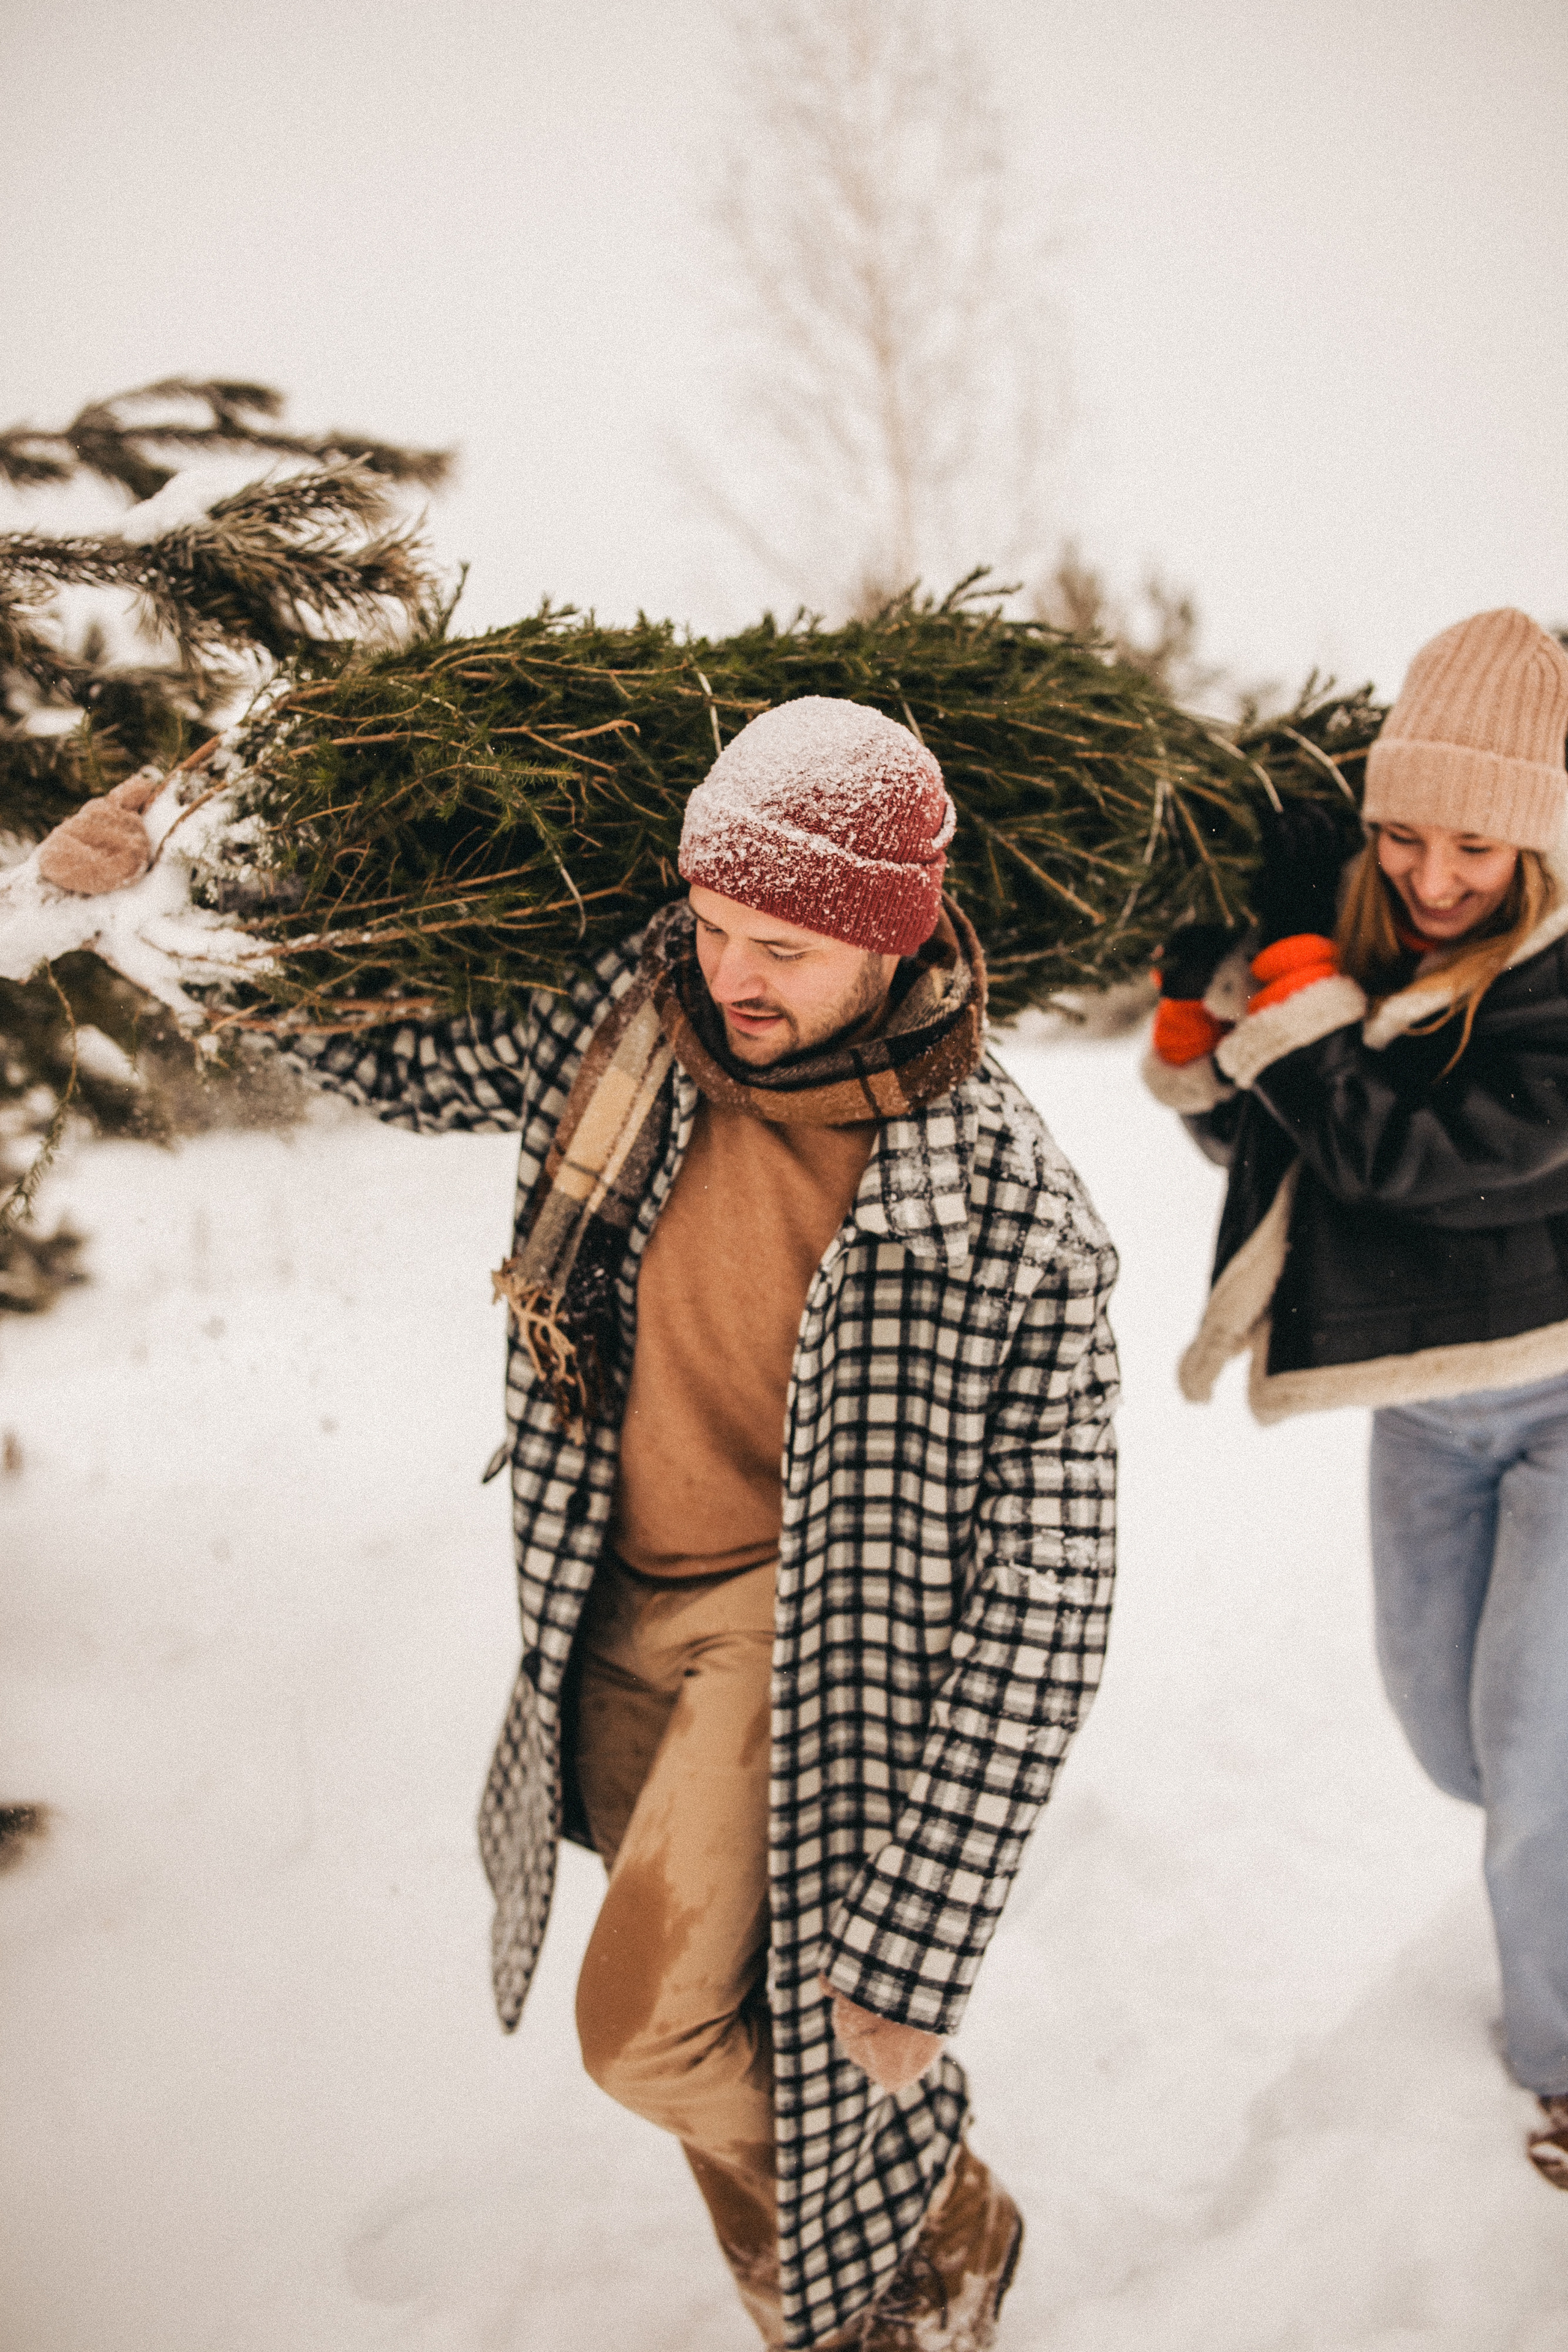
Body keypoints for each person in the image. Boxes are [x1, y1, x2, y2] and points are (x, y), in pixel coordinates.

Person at [39, 695, 1119, 2348]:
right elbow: (373, 1050)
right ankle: (841, 2315)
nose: (739, 975)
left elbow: (1052, 1590)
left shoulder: (1002, 1207)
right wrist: (144, 893)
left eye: (792, 947)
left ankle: (946, 2204)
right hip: (607, 1613)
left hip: (808, 1647)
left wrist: (920, 1946)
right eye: (718, 924)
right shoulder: (628, 1025)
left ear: (897, 947)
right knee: (735, 2012)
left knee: (649, 2038)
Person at [1144, 606, 1568, 2190]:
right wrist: (1211, 1033)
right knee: (1452, 1745)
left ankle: (1564, 2058)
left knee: (1532, 1771)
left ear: (1532, 842)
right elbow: (1304, 1145)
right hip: (1421, 1405)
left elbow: (1421, 1160)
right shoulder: (1374, 942)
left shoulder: (1560, 982)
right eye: (1402, 836)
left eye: (1473, 844)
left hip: (1566, 1408)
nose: (1434, 875)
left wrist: (1307, 1005)